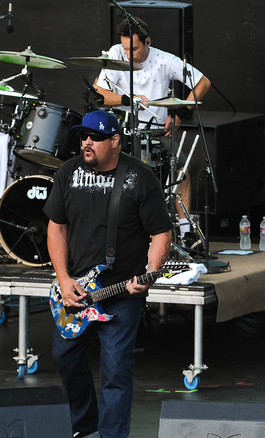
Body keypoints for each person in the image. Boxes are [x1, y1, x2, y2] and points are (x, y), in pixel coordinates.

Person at [43, 111, 172, 438]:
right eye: (83, 136)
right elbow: (56, 228)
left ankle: (112, 435)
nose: (87, 142)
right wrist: (63, 278)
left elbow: (161, 233)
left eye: (95, 137)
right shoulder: (69, 173)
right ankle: (84, 427)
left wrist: (151, 273)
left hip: (120, 292)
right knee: (64, 357)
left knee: (116, 371)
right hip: (75, 289)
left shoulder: (140, 178)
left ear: (115, 141)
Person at [94, 17, 212, 238]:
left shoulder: (164, 60)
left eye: (135, 49)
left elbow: (203, 82)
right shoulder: (115, 54)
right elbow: (99, 94)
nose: (129, 55)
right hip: (121, 130)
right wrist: (128, 100)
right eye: (125, 48)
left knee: (181, 169)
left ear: (147, 42)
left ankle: (186, 233)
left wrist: (179, 114)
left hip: (157, 131)